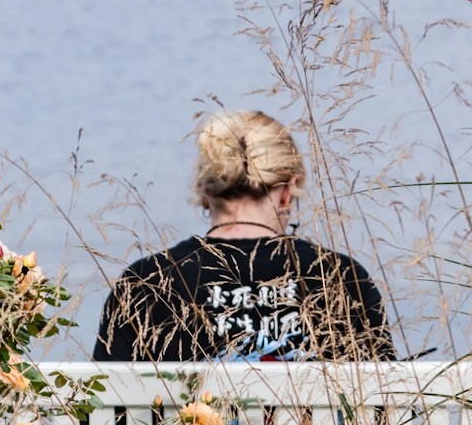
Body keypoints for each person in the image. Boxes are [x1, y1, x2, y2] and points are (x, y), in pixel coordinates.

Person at [93, 110, 394, 363]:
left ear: (203, 189)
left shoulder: (146, 281)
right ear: (288, 192)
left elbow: (100, 421)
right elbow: (385, 409)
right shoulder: (339, 277)